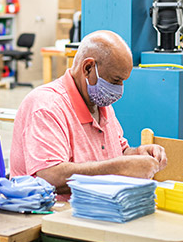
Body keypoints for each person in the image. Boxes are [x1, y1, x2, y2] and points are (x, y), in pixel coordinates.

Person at [10, 30, 167, 198]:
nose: (119, 90)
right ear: (88, 68)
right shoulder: (46, 107)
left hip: (94, 211)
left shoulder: (100, 104)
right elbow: (49, 176)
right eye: (115, 81)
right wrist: (120, 168)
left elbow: (117, 153)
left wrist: (137, 154)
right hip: (50, 217)